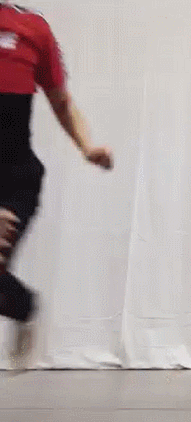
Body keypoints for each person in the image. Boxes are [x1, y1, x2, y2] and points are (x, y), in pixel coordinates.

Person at [0, 2, 113, 369]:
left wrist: (87, 146)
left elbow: (62, 102)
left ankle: (23, 307)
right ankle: (22, 305)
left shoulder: (31, 28)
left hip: (14, 180)